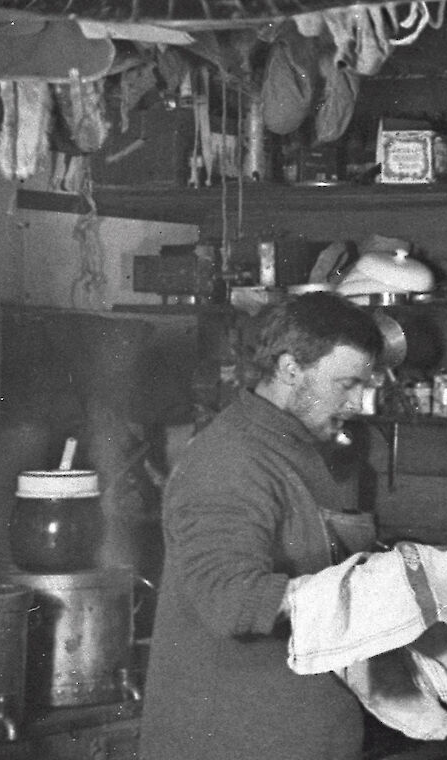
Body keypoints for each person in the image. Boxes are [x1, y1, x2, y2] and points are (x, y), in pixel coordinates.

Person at [140, 292, 383, 760]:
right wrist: (366, 593)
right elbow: (230, 599)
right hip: (235, 743)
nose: (358, 402)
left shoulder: (295, 448)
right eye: (347, 384)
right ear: (291, 369)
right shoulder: (232, 461)